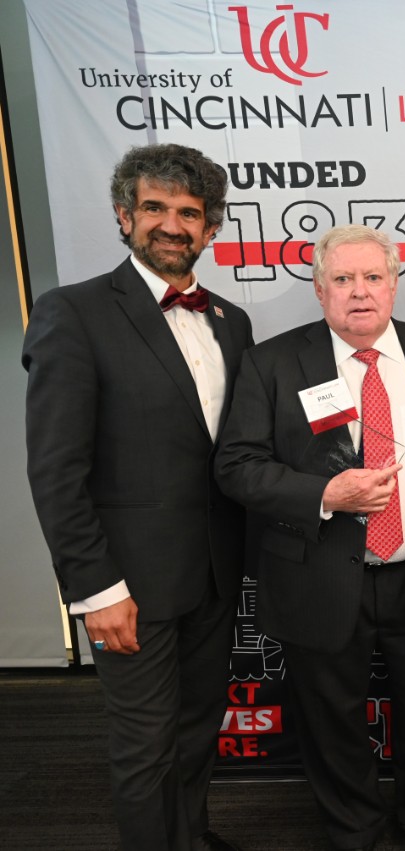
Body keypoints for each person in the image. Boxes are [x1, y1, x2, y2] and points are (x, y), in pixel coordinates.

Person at [22, 143, 252, 851]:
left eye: (190, 212)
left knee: (193, 732)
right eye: (155, 207)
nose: (172, 224)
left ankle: (188, 835)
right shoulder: (74, 313)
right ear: (124, 217)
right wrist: (95, 589)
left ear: (210, 228)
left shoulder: (231, 322)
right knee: (144, 747)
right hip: (130, 587)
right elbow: (56, 469)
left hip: (214, 575)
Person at [214, 225, 405, 851]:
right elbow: (236, 466)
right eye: (343, 280)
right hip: (318, 570)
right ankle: (357, 832)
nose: (360, 293)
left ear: (394, 286)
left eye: (373, 278)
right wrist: (325, 495)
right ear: (320, 290)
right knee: (332, 721)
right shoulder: (271, 362)